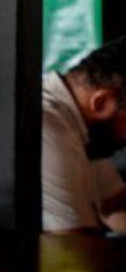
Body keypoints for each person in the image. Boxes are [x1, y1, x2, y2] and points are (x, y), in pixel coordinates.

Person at [42, 36, 126, 234]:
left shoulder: (87, 128)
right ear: (101, 103)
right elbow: (72, 248)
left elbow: (115, 207)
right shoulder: (50, 125)